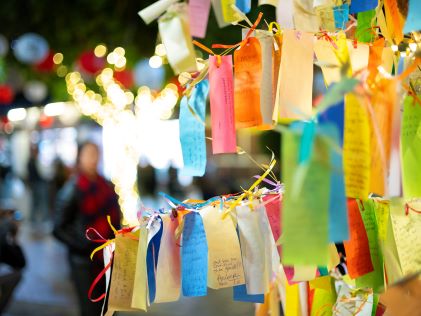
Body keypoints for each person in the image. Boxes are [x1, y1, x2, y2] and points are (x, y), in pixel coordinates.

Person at [53, 142, 121, 316]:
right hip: (84, 261)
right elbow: (58, 228)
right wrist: (83, 244)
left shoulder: (105, 184)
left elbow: (114, 218)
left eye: (96, 153)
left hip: (108, 256)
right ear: (80, 157)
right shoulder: (73, 187)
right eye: (88, 154)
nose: (93, 158)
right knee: (90, 309)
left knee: (110, 306)